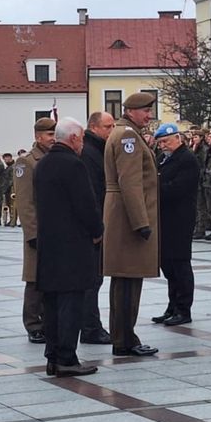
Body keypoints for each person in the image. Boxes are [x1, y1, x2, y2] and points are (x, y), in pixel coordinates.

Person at [33, 117, 104, 377]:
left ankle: (53, 356)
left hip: (49, 246)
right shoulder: (73, 165)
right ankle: (66, 358)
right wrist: (97, 231)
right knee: (71, 304)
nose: (83, 144)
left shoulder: (43, 165)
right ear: (74, 137)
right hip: (73, 247)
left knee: (52, 305)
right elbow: (86, 204)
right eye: (82, 138)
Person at [103, 91, 160, 357]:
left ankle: (123, 335)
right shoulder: (128, 136)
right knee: (128, 280)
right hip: (128, 218)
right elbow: (130, 182)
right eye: (146, 111)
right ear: (132, 111)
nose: (149, 116)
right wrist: (141, 222)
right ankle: (125, 339)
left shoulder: (124, 133)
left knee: (125, 280)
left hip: (122, 215)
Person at [13, 117, 56, 344]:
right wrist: (32, 233)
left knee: (52, 278)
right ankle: (33, 324)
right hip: (38, 231)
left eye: (55, 134)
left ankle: (48, 321)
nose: (53, 139)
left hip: (55, 229)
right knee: (34, 279)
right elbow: (24, 201)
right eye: (49, 135)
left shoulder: (55, 158)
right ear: (38, 137)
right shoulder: (26, 162)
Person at [153, 123, 200, 327]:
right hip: (164, 218)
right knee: (168, 265)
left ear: (178, 139)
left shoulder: (187, 159)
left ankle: (183, 308)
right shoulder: (164, 158)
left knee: (180, 264)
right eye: (160, 142)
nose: (163, 145)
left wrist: (154, 190)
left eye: (166, 141)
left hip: (179, 219)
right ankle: (172, 306)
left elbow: (178, 188)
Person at [80, 111, 115, 344]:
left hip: (96, 223)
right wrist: (96, 228)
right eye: (107, 127)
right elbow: (92, 193)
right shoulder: (91, 153)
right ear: (94, 127)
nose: (111, 131)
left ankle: (91, 325)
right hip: (92, 226)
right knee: (92, 279)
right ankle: (91, 328)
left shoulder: (97, 150)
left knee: (95, 278)